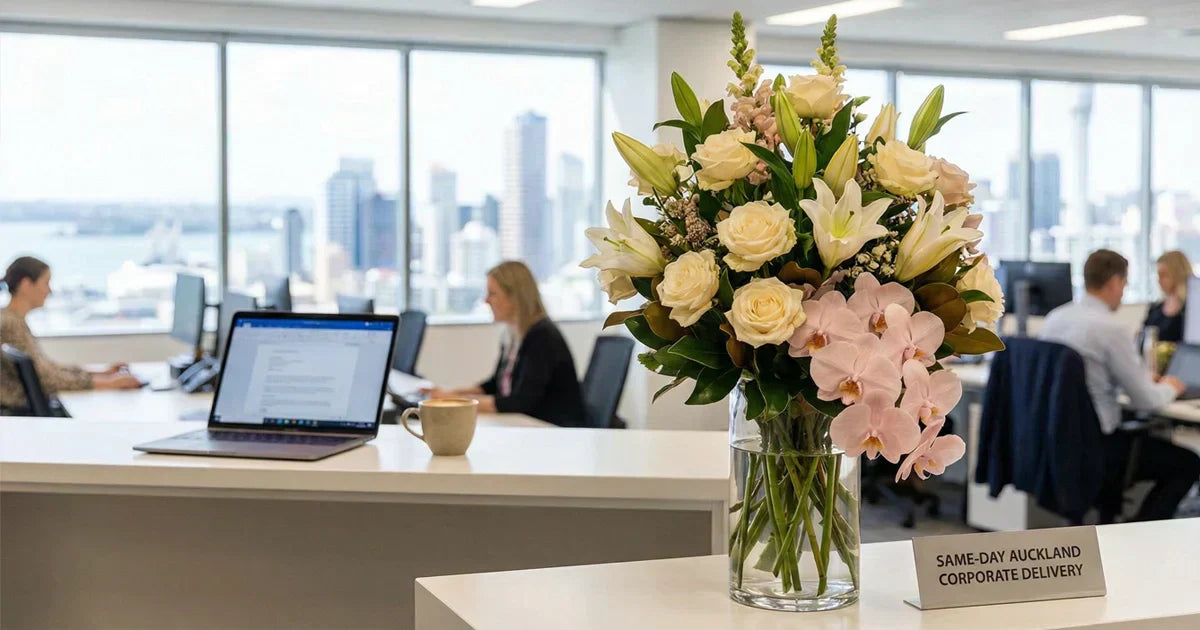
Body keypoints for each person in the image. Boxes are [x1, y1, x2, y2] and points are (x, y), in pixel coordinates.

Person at [1039, 249, 1198, 521]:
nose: (1123, 293)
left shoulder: (1055, 318)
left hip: (1057, 441)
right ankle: (1138, 532)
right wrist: (1173, 386)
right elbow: (1147, 400)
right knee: (1189, 464)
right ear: (1114, 282)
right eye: (1124, 284)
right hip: (1098, 448)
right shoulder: (1111, 330)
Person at [424, 260, 585, 427]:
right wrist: (451, 394)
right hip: (527, 424)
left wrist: (458, 401)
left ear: (514, 297)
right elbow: (495, 385)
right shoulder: (512, 334)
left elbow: (520, 402)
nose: (486, 300)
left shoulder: (542, 337)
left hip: (552, 429)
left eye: (492, 293)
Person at [1, 256, 141, 412]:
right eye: (46, 283)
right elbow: (45, 377)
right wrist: (108, 383)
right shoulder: (11, 324)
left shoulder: (12, 319)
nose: (50, 291)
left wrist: (102, 373)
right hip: (22, 411)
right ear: (26, 284)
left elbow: (47, 368)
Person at [1143, 250, 1192, 343]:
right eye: (1158, 275)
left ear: (1178, 275)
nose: (1159, 280)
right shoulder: (1155, 308)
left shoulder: (1191, 310)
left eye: (1164, 275)